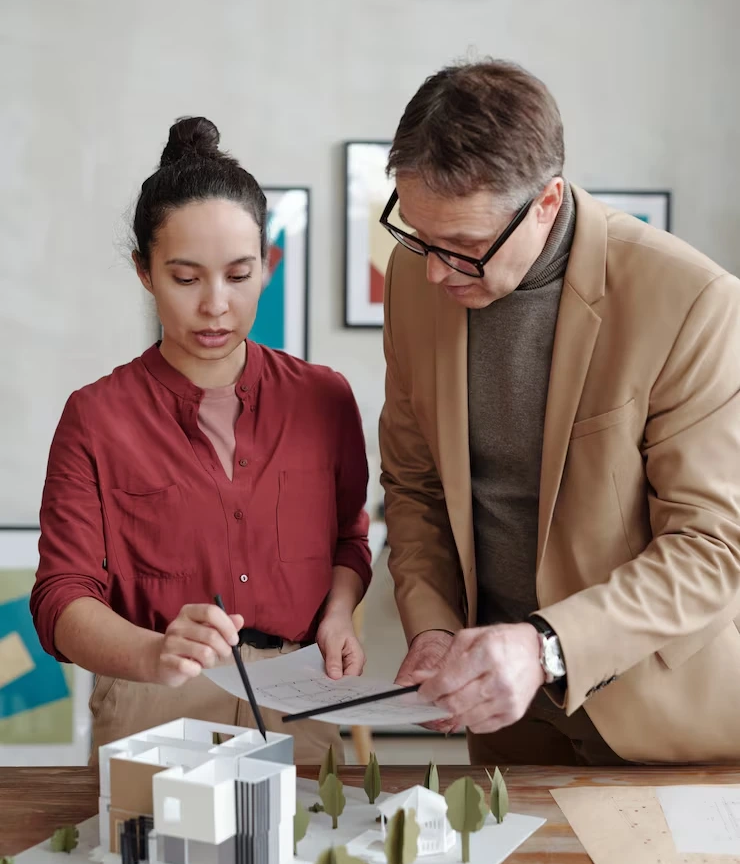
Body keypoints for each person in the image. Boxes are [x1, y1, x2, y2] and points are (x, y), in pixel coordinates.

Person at [379, 59, 740, 765]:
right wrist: (433, 627)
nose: (435, 272)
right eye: (419, 237)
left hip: (665, 720)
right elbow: (413, 484)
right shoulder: (413, 278)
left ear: (545, 203)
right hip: (502, 717)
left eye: (466, 248)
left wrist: (546, 646)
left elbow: (713, 549)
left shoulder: (692, 300)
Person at [31, 117, 371, 764]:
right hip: (154, 700)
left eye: (238, 275)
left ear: (267, 268)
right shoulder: (95, 417)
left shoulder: (325, 398)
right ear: (145, 271)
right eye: (186, 279)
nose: (216, 305)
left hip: (299, 693)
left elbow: (348, 543)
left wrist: (337, 614)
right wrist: (152, 653)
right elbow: (60, 596)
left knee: (315, 860)